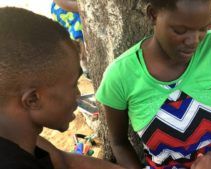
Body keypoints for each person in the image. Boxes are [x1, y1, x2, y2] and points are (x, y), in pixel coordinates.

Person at [96, 0, 211, 168]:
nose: (194, 41)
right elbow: (119, 144)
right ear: (153, 15)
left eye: (203, 28)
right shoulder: (120, 76)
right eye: (180, 31)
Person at [0, 7, 123, 169]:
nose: (78, 95)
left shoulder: (14, 133)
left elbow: (63, 160)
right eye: (74, 85)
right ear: (33, 99)